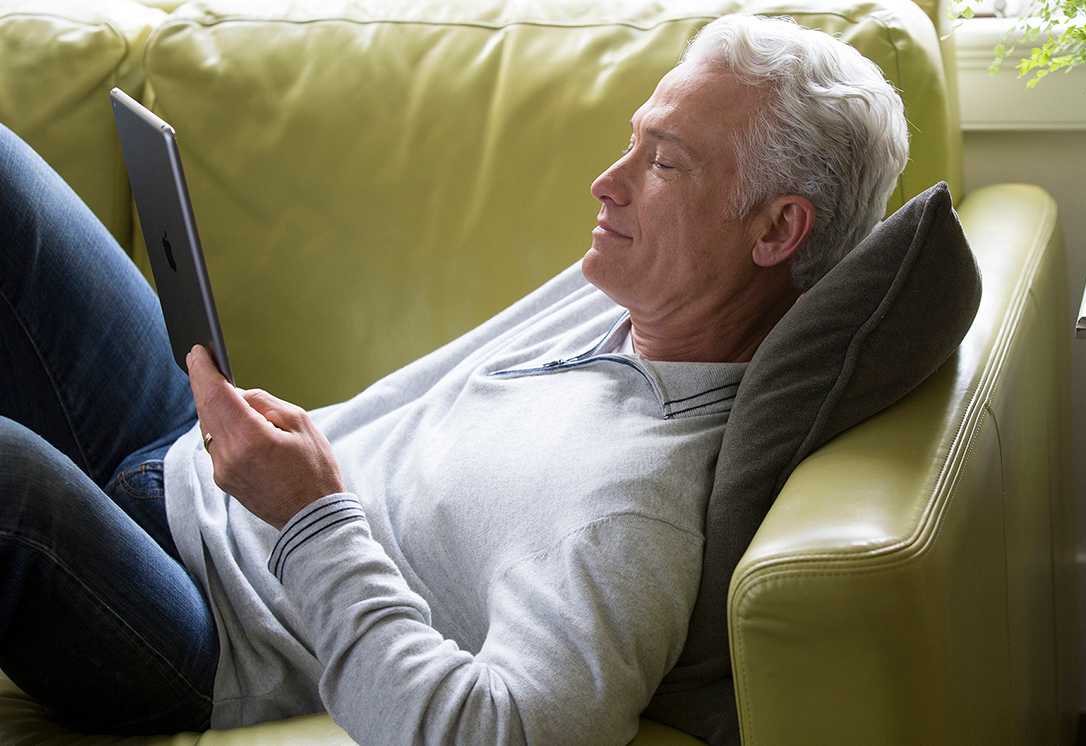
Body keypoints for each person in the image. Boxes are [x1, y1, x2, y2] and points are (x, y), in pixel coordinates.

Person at [0, 13, 907, 745]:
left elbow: (495, 732)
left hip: (199, 629)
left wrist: (310, 516)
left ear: (777, 231)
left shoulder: (633, 512)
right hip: (188, 465)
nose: (606, 183)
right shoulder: (636, 294)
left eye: (663, 162)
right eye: (635, 142)